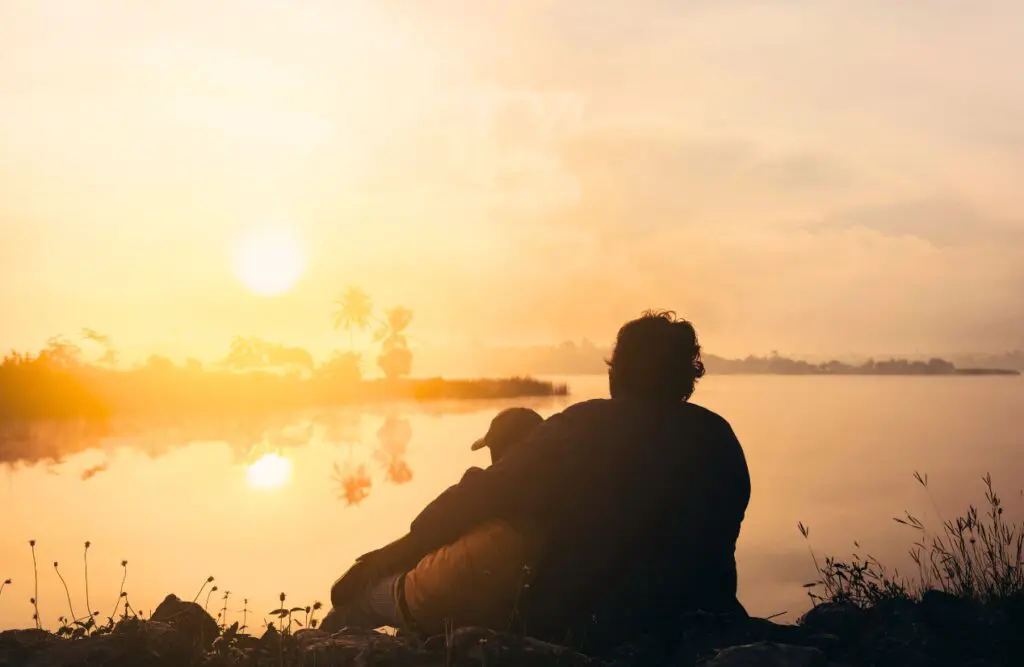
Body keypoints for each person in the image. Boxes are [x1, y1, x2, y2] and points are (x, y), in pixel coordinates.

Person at [328, 311, 750, 653]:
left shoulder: (586, 427)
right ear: (687, 378)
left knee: (376, 594)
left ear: (616, 373)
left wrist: (390, 555)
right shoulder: (720, 439)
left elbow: (479, 496)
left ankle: (329, 639)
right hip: (701, 617)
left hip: (589, 629)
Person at [321, 407, 547, 634]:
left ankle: (315, 644)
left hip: (440, 589)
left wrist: (375, 563)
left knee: (360, 600)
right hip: (494, 598)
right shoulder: (548, 492)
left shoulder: (490, 487)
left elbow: (429, 527)